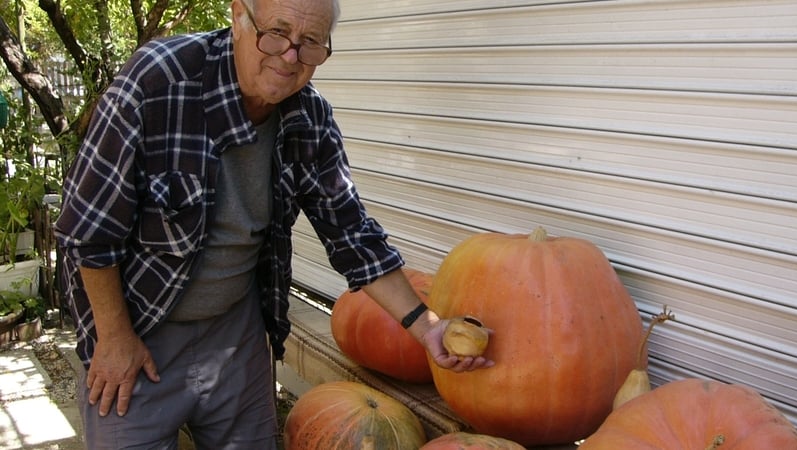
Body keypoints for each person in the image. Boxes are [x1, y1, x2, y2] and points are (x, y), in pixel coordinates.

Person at [54, 0, 493, 448]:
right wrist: (111, 338)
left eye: (310, 43)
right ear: (238, 18)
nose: (290, 56)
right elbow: (88, 231)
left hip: (234, 329)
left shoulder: (310, 118)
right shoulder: (158, 80)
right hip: (137, 324)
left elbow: (351, 234)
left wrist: (428, 328)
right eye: (277, 32)